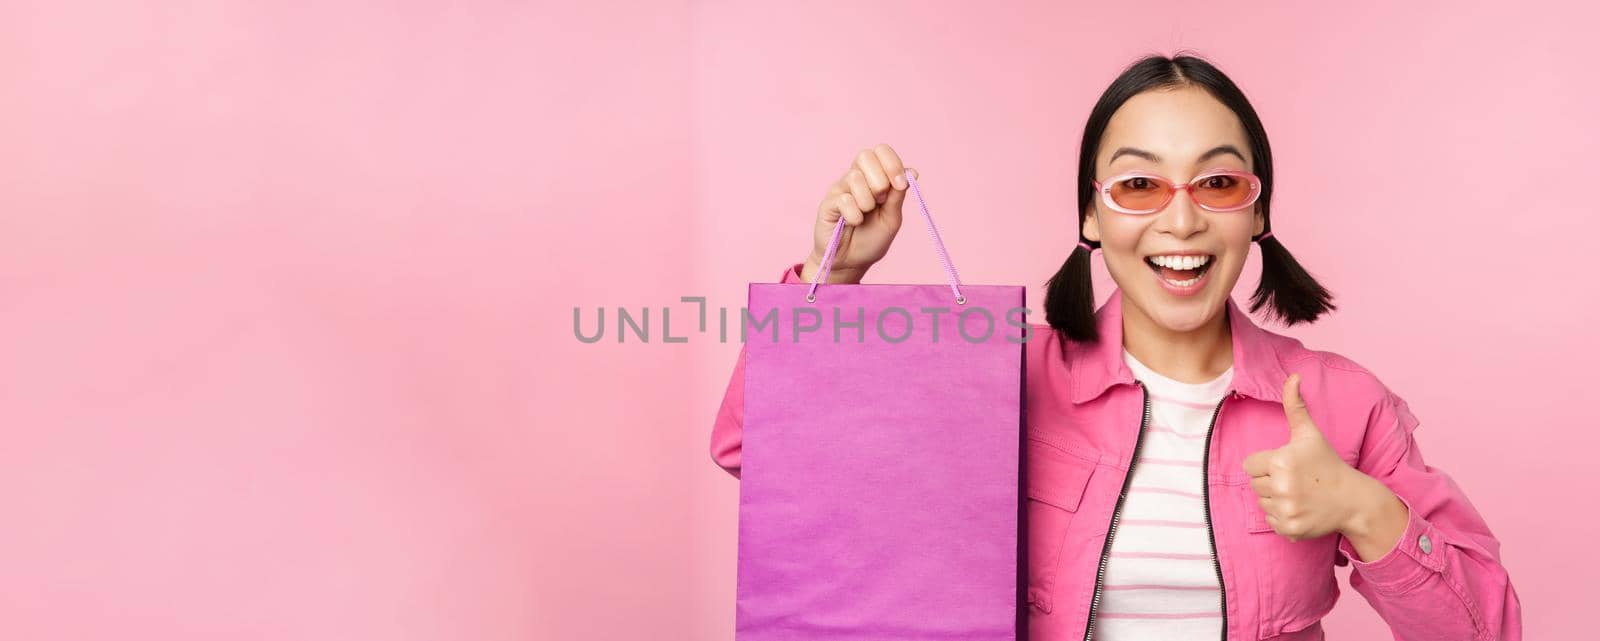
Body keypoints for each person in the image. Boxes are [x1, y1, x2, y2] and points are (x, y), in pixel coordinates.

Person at [709, 54, 1521, 641]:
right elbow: (760, 453)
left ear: (1257, 211)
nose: (1181, 219)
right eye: (1138, 184)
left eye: (1218, 182)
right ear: (1092, 216)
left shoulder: (1340, 402)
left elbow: (1487, 629)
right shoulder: (1004, 374)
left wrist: (1361, 507)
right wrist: (837, 276)